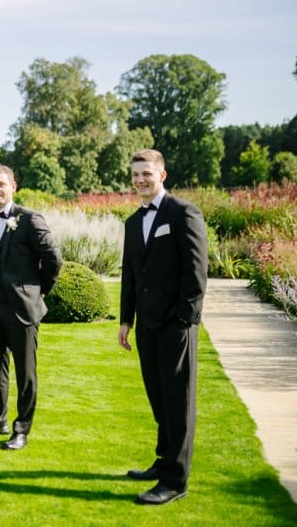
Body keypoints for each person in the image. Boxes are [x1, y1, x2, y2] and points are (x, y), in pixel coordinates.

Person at [119, 149, 207, 505]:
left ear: (162, 175)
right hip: (147, 327)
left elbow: (197, 272)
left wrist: (184, 320)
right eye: (136, 175)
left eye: (146, 174)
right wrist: (126, 319)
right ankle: (164, 458)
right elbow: (130, 275)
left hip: (176, 326)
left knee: (178, 401)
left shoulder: (183, 212)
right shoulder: (131, 222)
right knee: (158, 397)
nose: (140, 180)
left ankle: (175, 480)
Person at [0, 165, 62, 451]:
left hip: (22, 308)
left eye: (1, 184)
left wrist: (39, 292)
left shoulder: (30, 219)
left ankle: (21, 429)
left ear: (13, 186)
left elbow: (53, 260)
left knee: (25, 371)